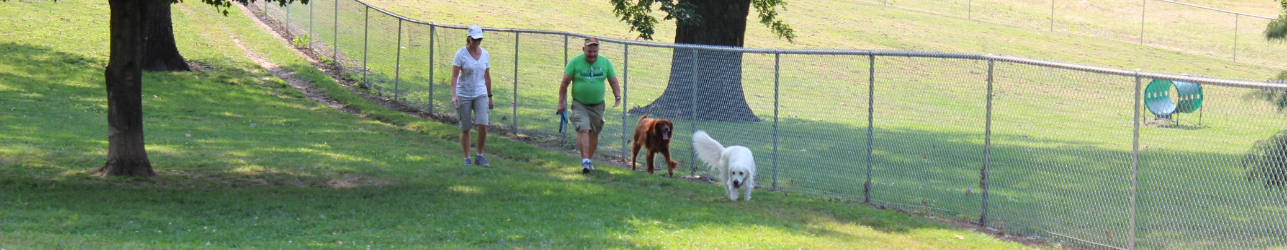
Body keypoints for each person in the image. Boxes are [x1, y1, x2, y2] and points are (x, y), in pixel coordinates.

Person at [558, 37, 621, 173]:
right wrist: (561, 102)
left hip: (598, 105)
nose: (592, 54)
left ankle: (589, 160)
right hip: (579, 103)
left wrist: (617, 96)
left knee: (594, 132)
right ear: (583, 49)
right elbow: (564, 83)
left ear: (598, 50)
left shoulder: (605, 62)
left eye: (595, 52)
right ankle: (585, 161)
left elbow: (613, 81)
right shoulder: (575, 62)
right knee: (584, 128)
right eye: (589, 51)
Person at [452, 25, 494, 167]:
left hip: (480, 93)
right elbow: (454, 76)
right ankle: (467, 158)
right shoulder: (461, 54)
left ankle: (480, 155)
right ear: (469, 38)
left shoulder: (485, 54)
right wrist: (454, 95)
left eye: (479, 39)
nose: (477, 42)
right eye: (475, 39)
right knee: (466, 127)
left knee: (483, 125)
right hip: (463, 93)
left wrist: (489, 96)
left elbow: (487, 77)